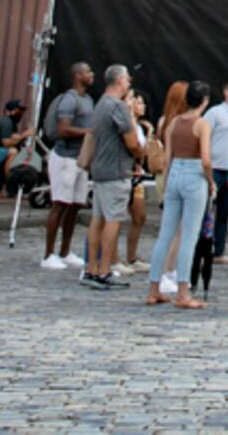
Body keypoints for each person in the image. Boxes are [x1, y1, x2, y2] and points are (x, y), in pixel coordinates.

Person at [143, 78, 211, 310]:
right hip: (194, 174)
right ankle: (183, 291)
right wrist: (211, 182)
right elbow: (206, 159)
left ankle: (154, 288)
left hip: (175, 173)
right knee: (189, 236)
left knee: (165, 234)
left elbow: (169, 158)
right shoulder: (201, 124)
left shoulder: (172, 124)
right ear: (204, 101)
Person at [80, 65, 140, 292]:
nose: (129, 82)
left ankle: (91, 267)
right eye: (127, 79)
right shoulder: (117, 106)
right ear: (119, 81)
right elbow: (131, 142)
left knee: (98, 219)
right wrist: (139, 155)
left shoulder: (100, 104)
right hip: (116, 170)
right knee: (113, 220)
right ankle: (105, 269)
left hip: (100, 169)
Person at [41, 62, 94, 270]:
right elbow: (64, 129)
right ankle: (48, 253)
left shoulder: (88, 100)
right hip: (65, 157)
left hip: (80, 158)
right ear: (78, 75)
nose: (92, 75)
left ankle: (65, 250)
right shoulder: (70, 100)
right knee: (60, 204)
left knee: (75, 205)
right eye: (88, 72)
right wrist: (88, 132)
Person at [201, 77, 228, 290]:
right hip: (215, 165)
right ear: (226, 92)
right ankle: (201, 248)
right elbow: (204, 135)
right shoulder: (215, 113)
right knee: (206, 208)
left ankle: (219, 250)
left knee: (224, 212)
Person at [122, 90, 158, 274]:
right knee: (119, 217)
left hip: (138, 175)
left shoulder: (139, 126)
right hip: (129, 173)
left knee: (140, 216)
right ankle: (116, 257)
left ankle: (131, 255)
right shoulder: (128, 125)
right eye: (139, 102)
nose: (142, 107)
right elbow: (138, 149)